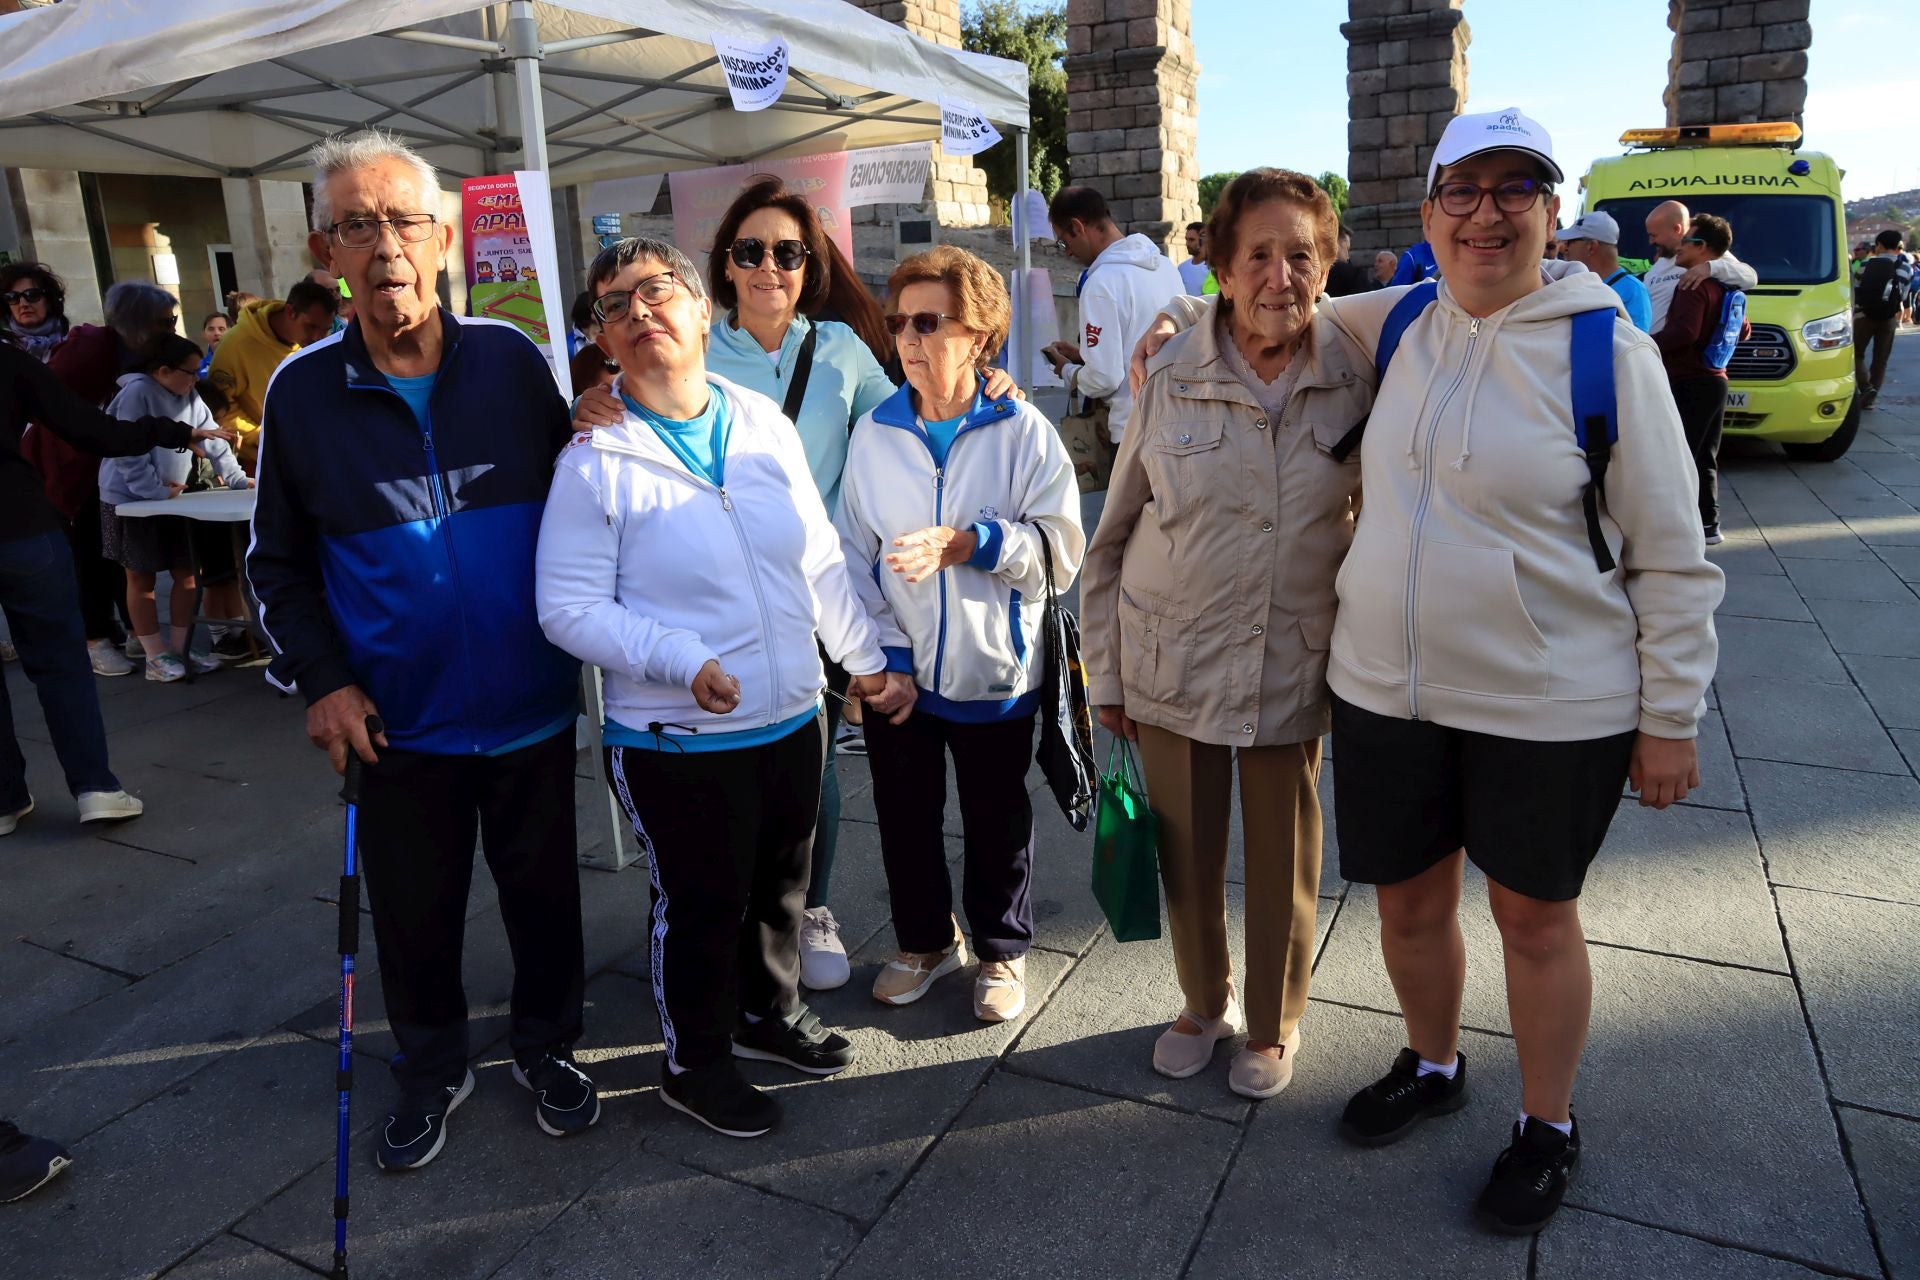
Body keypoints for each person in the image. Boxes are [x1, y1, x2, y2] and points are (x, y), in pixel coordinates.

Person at [1134, 107, 1723, 1236]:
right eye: (1465, 189)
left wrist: (1670, 716)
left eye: (1517, 190)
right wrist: (1170, 321)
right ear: (1429, 213)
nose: (1487, 214)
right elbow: (1264, 309)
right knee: (1405, 903)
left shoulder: (1610, 351)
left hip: (1549, 698)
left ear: (1551, 214)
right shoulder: (1394, 319)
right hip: (1386, 686)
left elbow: (1671, 551)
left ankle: (1547, 1123)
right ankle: (1435, 1057)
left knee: (1534, 918)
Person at [571, 177, 1023, 992]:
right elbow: (645, 380)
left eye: (787, 252)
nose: (768, 266)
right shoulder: (703, 344)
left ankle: (808, 908)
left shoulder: (846, 350)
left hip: (825, 583)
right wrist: (596, 395)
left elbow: (917, 414)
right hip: (716, 592)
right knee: (727, 770)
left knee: (811, 765)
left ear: (809, 265)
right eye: (750, 251)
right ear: (723, 272)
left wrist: (989, 380)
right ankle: (731, 920)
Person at [248, 129, 598, 1171]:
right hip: (396, 718)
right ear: (326, 251)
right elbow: (276, 566)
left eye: (403, 219)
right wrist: (324, 679)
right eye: (357, 225)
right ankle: (432, 1062)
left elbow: (580, 487)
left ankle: (548, 1046)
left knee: (545, 895)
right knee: (414, 911)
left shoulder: (511, 360)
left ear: (444, 237)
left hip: (530, 699)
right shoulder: (302, 393)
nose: (383, 244)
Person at [536, 236, 888, 1140]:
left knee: (781, 885)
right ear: (605, 343)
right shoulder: (595, 459)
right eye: (615, 306)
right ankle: (694, 1062)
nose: (639, 311)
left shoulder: (760, 420)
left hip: (792, 712)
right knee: (700, 905)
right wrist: (676, 658)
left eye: (656, 291)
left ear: (701, 308)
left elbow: (815, 555)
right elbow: (566, 608)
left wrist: (863, 659)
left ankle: (766, 1016)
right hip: (677, 737)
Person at [1083, 169, 1368, 1100]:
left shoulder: (1359, 371)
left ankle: (1275, 1023)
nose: (1280, 276)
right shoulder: (1168, 371)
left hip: (1292, 657)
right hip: (1173, 658)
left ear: (1329, 266)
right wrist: (1104, 676)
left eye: (1303, 255)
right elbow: (1112, 535)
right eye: (1259, 254)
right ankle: (1204, 1003)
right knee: (1186, 848)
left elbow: (1464, 286)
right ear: (1219, 262)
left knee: (1285, 858)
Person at [835, 245, 1083, 1024]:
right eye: (899, 321)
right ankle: (923, 943)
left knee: (997, 818)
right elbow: (850, 557)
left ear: (980, 336)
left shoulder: (1024, 430)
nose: (908, 338)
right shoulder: (875, 433)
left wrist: (971, 542)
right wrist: (884, 660)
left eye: (929, 321)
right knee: (903, 815)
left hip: (993, 669)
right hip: (898, 673)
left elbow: (1060, 551)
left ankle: (1002, 952)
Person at [1, 333, 229, 832]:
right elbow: (93, 430)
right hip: (18, 523)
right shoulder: (9, 361)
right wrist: (170, 432)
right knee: (60, 664)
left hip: (22, 525)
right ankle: (95, 787)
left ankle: (5, 798)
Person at [24, 280, 181, 679]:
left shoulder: (137, 351)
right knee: (88, 556)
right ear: (141, 322)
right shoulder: (89, 349)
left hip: (108, 464)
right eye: (167, 320)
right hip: (72, 468)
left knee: (116, 552)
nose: (172, 325)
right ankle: (95, 637)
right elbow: (52, 408)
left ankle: (131, 629)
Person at [99, 336, 250, 681]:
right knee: (141, 576)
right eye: (190, 372)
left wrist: (237, 479)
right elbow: (128, 449)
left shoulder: (190, 394)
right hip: (129, 499)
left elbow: (213, 437)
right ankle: (155, 654)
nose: (196, 379)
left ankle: (180, 648)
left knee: (186, 573)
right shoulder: (137, 393)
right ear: (163, 370)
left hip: (170, 496)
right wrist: (150, 490)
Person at [1043, 186, 1186, 474]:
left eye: (1063, 242)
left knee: (1130, 520)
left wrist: (1068, 372)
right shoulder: (1166, 267)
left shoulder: (1101, 282)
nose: (1067, 252)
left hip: (1135, 434)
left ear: (1077, 226)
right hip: (1181, 423)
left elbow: (1104, 379)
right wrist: (1086, 356)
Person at [1655, 214, 1748, 545]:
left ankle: (1678, 528)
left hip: (1689, 379)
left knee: (1679, 455)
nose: (1678, 247)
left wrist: (1646, 345)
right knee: (1705, 455)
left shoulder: (1691, 285)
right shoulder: (1725, 285)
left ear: (1703, 247)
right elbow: (1744, 330)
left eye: (1686, 241)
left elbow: (1685, 332)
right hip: (1716, 378)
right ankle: (1710, 524)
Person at [207, 277, 339, 473]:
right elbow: (219, 407)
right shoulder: (235, 346)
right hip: (264, 461)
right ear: (290, 312)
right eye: (311, 327)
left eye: (325, 330)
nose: (317, 338)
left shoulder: (320, 344)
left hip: (315, 455)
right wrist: (263, 436)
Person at [1642, 199, 1757, 333]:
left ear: (1677, 229)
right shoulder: (1660, 263)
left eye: (1654, 235)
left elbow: (1750, 277)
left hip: (1670, 349)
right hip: (1646, 348)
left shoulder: (1703, 252)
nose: (1651, 242)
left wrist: (1709, 268)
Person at [1556, 212, 1653, 333]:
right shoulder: (1575, 283)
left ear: (1591, 246)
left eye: (1570, 242)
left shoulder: (1634, 291)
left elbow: (1637, 346)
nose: (1565, 249)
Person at [1855, 229, 1909, 409]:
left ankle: (1865, 387)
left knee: (1855, 353)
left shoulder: (1866, 264)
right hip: (1888, 318)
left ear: (1879, 245)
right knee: (1881, 359)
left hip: (1864, 315)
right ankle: (1870, 399)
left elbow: (1856, 289)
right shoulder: (1905, 267)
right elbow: (1903, 294)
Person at [1, 263, 70, 363]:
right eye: (13, 297)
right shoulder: (4, 350)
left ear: (49, 301)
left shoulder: (72, 344)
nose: (23, 304)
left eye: (32, 295)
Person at [1324, 223, 1379, 297]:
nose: (1348, 257)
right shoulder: (1355, 276)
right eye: (1347, 249)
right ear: (1336, 244)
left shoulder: (1308, 274)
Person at [1178, 221, 1210, 295]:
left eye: (1192, 240)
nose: (1187, 244)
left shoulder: (1214, 268)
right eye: (1186, 239)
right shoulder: (1182, 268)